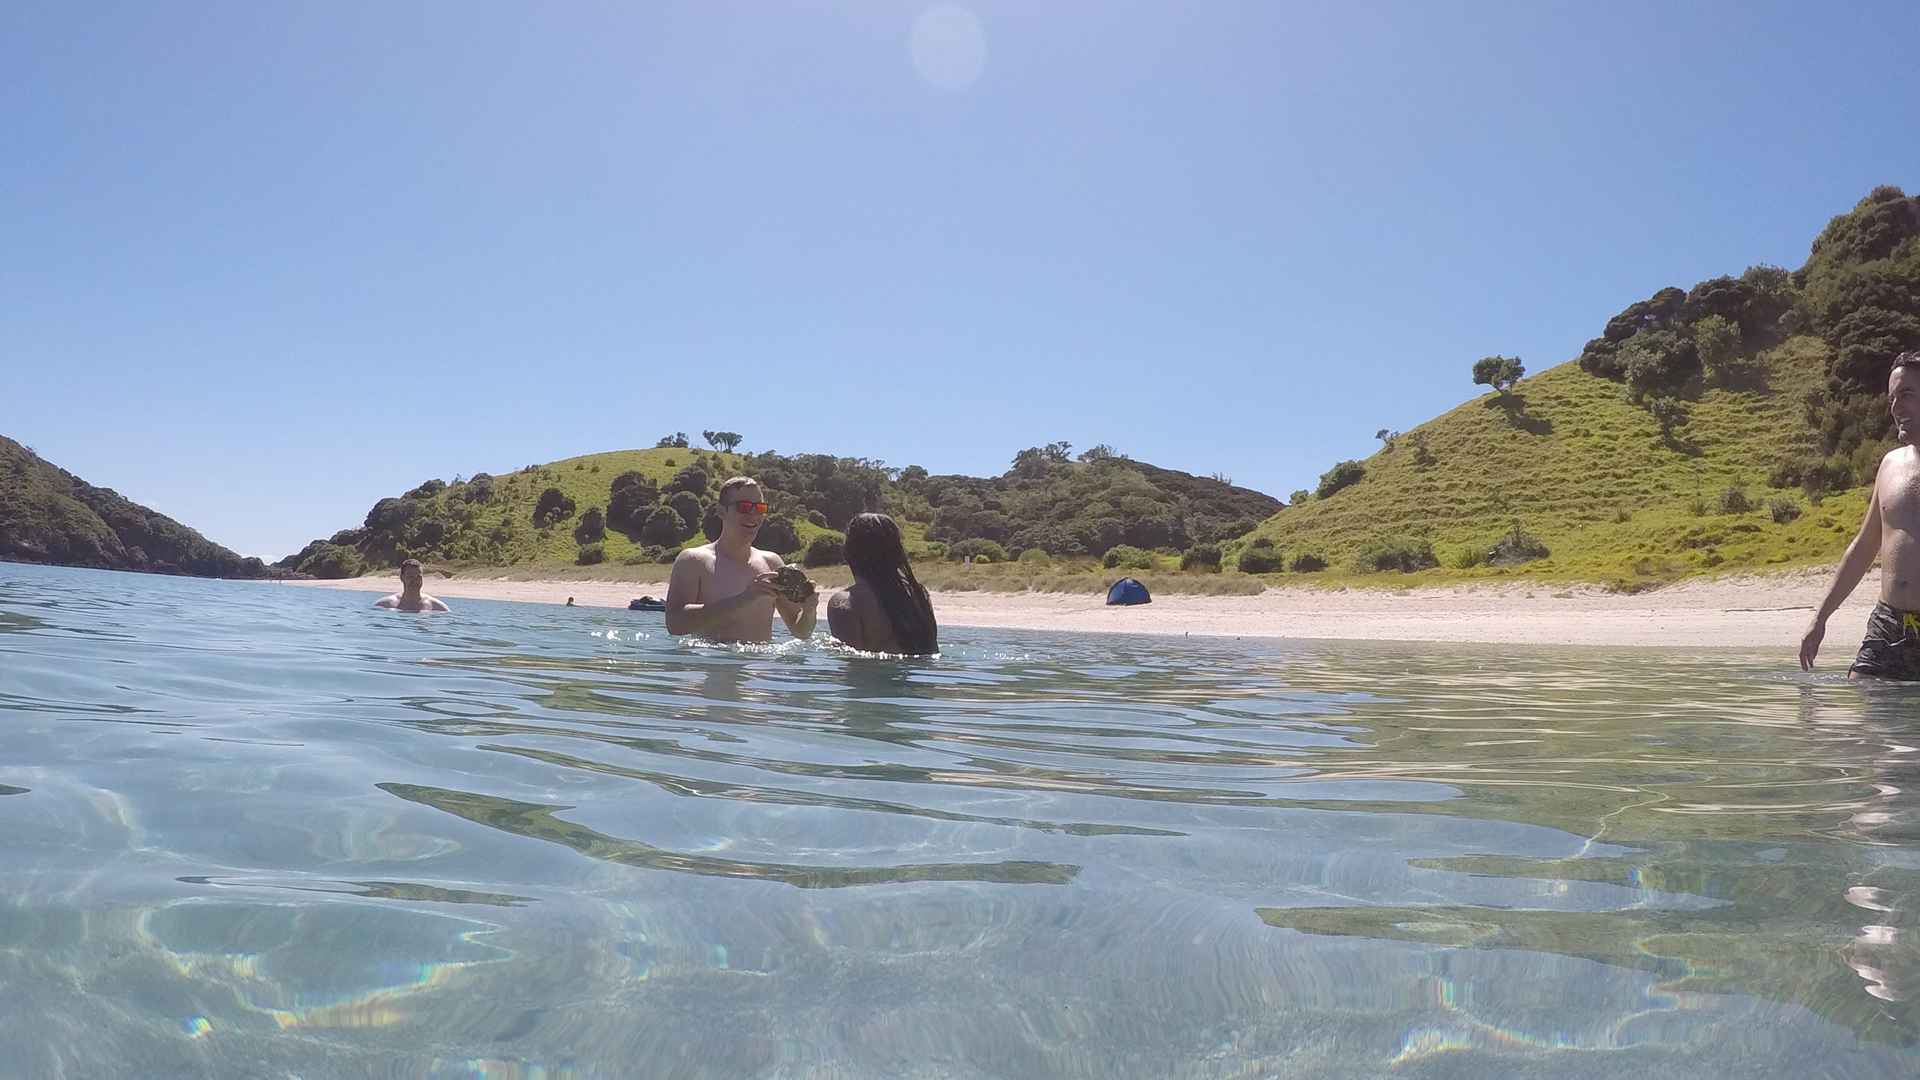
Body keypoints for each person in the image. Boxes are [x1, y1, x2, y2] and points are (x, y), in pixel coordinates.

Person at [1802, 351, 1920, 677]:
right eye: (1892, 398)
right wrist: (1820, 617)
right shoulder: (1890, 466)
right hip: (1890, 625)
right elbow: (1864, 547)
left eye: (1907, 395)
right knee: (1866, 712)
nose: (1896, 408)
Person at [665, 477, 817, 642]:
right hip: (713, 664)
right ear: (721, 511)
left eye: (759, 508)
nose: (753, 514)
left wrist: (809, 611)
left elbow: (801, 631)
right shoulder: (693, 561)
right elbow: (675, 624)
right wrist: (744, 599)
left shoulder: (772, 563)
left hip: (761, 665)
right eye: (743, 507)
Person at [827, 512, 938, 654]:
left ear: (849, 552)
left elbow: (852, 664)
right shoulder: (919, 594)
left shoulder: (845, 602)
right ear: (897, 553)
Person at [375, 559, 450, 612]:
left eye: (418, 577)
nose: (414, 580)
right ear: (402, 578)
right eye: (410, 576)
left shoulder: (436, 607)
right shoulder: (387, 604)